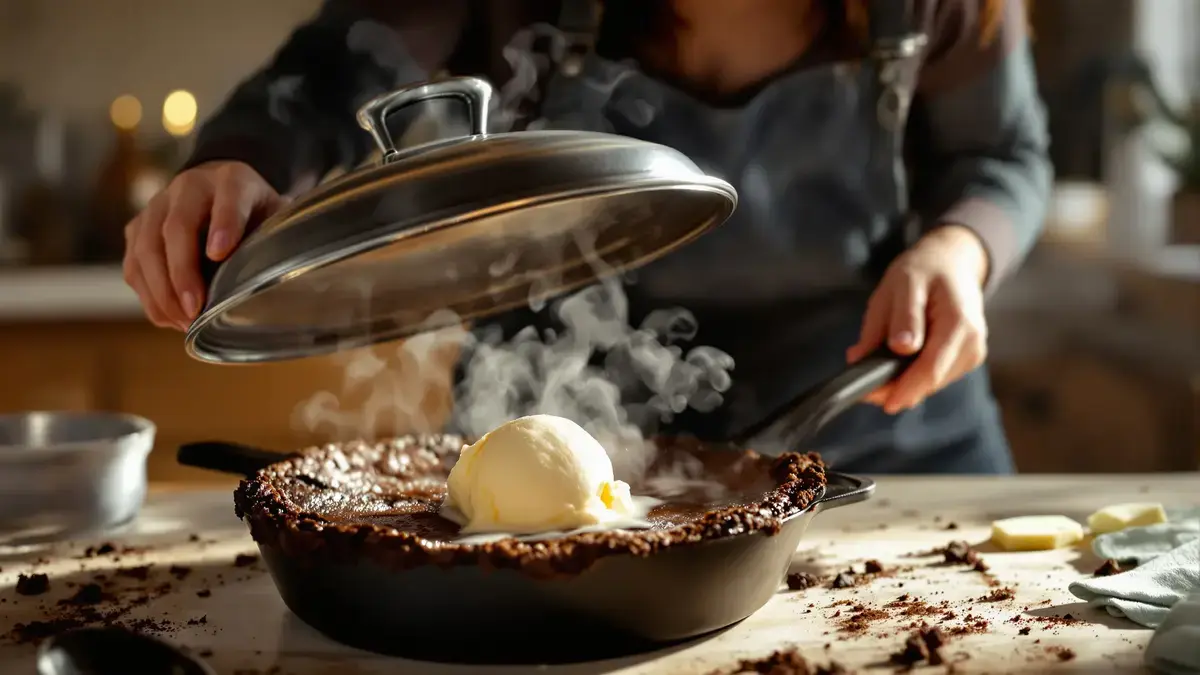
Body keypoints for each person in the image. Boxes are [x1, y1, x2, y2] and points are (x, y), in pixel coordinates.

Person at [122, 0, 1051, 474]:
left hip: (879, 431)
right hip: (550, 438)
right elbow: (335, 64)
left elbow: (1004, 155)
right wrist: (237, 159)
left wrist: (960, 249)